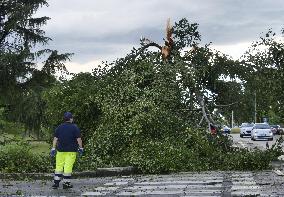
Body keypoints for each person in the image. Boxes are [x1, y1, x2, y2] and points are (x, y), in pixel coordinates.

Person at [50, 112, 83, 189]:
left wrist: (53, 148)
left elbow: (55, 139)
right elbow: (79, 139)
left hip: (60, 151)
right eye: (72, 118)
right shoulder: (75, 127)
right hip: (71, 151)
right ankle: (66, 183)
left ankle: (56, 183)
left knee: (58, 166)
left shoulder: (59, 127)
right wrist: (81, 148)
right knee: (68, 167)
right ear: (71, 119)